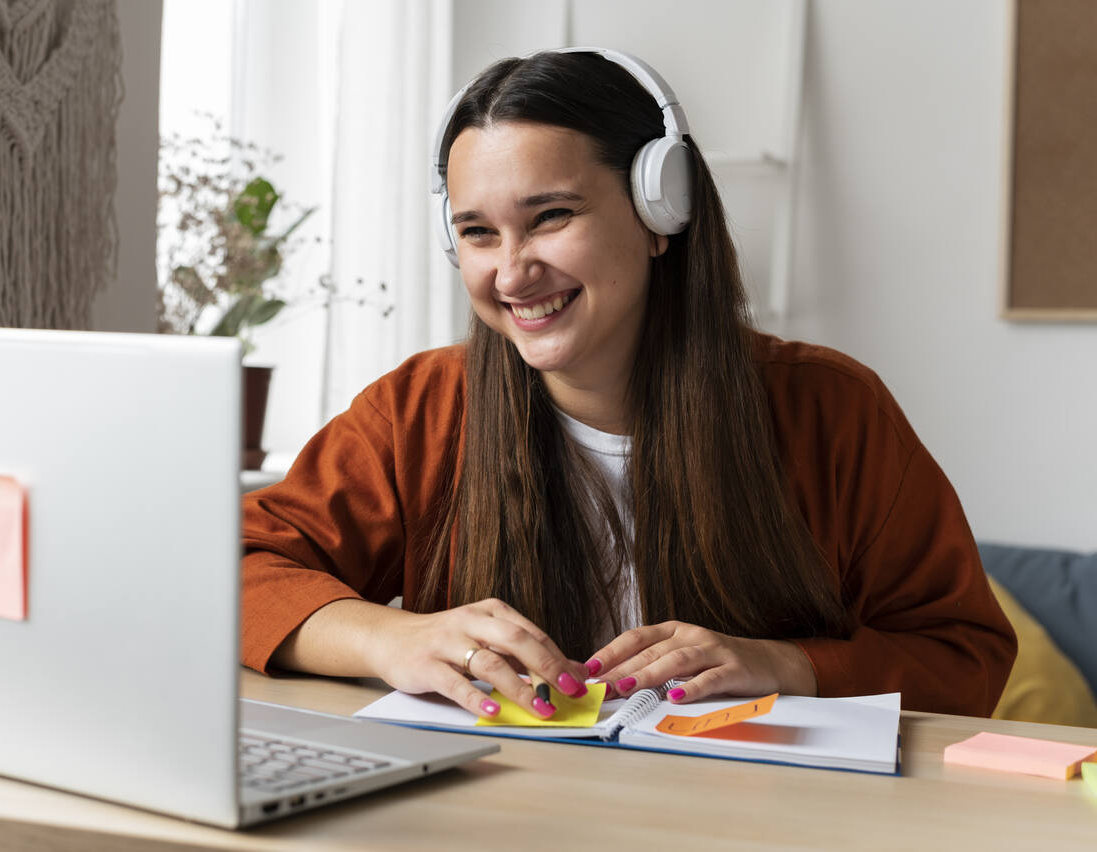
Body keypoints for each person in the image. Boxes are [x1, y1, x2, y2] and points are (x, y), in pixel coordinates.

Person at [241, 48, 1015, 722]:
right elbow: (234, 567)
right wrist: (391, 635)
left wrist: (792, 666)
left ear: (659, 212)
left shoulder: (834, 410)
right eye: (478, 232)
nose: (511, 272)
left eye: (550, 216)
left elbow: (963, 655)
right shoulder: (419, 410)